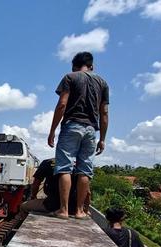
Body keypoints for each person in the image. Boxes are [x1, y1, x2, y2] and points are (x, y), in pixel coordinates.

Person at [47, 51, 109, 220]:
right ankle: (80, 211)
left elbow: (62, 104)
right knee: (85, 170)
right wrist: (102, 139)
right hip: (91, 130)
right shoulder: (102, 83)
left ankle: (64, 210)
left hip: (71, 125)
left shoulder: (70, 77)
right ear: (92, 66)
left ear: (74, 66)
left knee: (64, 167)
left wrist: (52, 130)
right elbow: (104, 113)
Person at [18, 158, 89, 219]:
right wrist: (85, 210)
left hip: (51, 205)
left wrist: (33, 196)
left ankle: (27, 224)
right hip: (74, 208)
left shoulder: (47, 162)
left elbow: (36, 184)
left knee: (23, 206)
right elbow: (88, 192)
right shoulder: (79, 165)